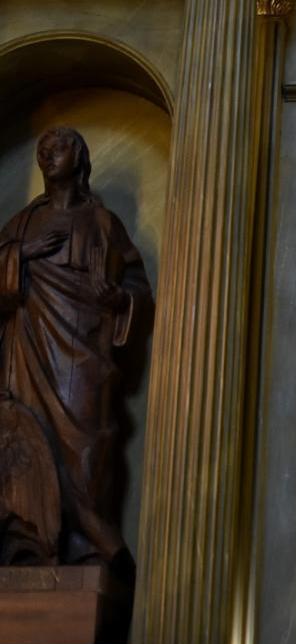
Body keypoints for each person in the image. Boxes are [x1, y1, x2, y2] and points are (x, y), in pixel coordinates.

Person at [0, 127, 151, 564]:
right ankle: (27, 548)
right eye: (42, 150)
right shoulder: (22, 224)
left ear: (80, 157)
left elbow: (137, 286)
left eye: (58, 147)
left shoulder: (102, 223)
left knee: (85, 452)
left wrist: (120, 299)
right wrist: (21, 255)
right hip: (27, 355)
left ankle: (89, 551)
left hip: (83, 357)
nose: (47, 154)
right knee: (26, 450)